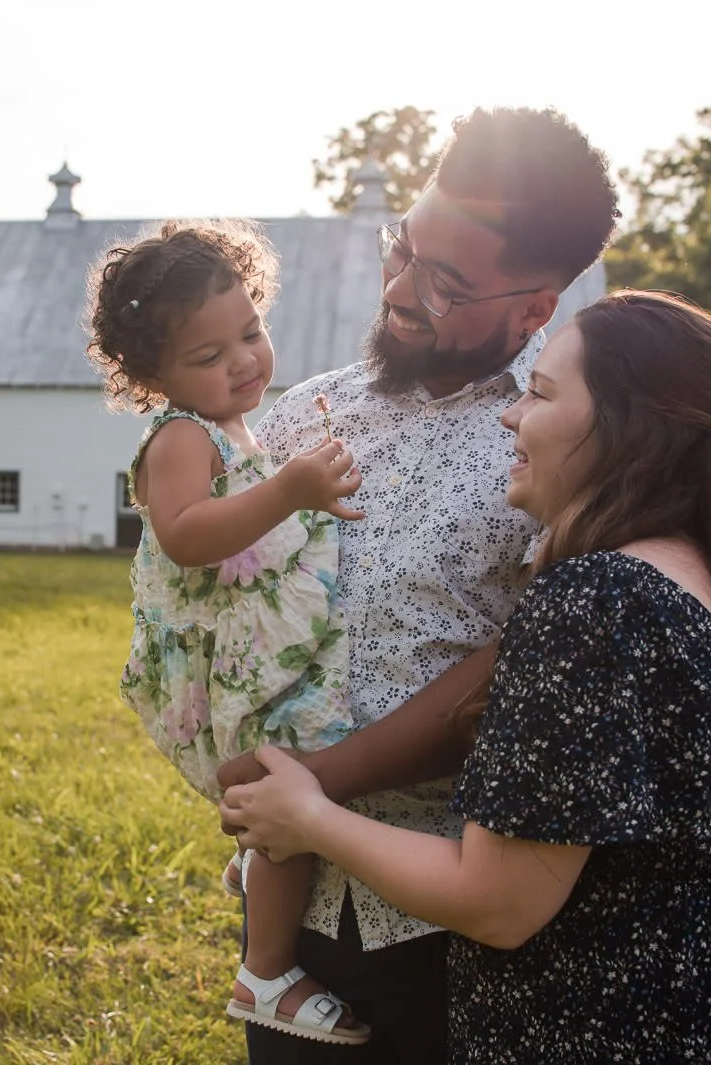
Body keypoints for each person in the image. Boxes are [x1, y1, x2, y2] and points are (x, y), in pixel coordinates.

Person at [221, 290, 711, 1063]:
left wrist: (308, 816)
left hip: (632, 1019)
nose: (511, 416)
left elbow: (500, 902)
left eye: (540, 394)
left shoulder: (593, 599)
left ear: (627, 424)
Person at [216, 106, 621, 1063]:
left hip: (455, 914)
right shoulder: (304, 410)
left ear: (536, 308)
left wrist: (307, 783)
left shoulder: (561, 441)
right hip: (291, 906)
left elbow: (530, 669)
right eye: (403, 250)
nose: (400, 290)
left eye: (446, 282)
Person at [85, 219, 374, 1045]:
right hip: (230, 667)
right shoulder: (182, 435)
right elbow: (185, 532)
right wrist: (288, 489)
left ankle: (258, 863)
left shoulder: (240, 424)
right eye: (209, 357)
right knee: (291, 781)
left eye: (250, 332)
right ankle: (268, 972)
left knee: (286, 782)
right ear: (153, 374)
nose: (243, 360)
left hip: (258, 652)